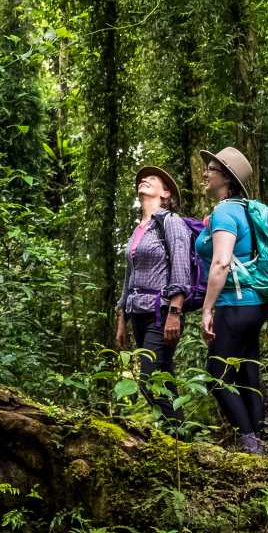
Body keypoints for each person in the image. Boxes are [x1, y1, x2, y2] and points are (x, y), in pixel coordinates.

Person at [195, 145, 268, 453]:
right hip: (255, 303)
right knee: (246, 372)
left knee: (217, 375)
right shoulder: (243, 208)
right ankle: (259, 440)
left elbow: (222, 262)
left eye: (210, 170)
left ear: (225, 177)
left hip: (233, 304)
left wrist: (207, 308)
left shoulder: (226, 211)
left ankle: (249, 441)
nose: (204, 174)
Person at [113, 164, 193, 425]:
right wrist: (121, 319)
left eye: (153, 179)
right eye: (142, 179)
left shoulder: (171, 222)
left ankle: (178, 439)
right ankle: (180, 442)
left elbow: (181, 266)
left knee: (149, 379)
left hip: (162, 312)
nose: (144, 180)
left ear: (166, 192)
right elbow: (129, 275)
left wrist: (174, 312)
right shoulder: (138, 230)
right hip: (137, 312)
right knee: (162, 377)